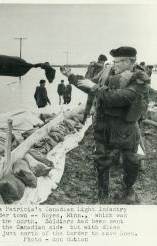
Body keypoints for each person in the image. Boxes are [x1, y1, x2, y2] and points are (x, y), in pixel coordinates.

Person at [60, 46, 150, 204]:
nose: (117, 65)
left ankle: (127, 187)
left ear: (132, 61)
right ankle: (103, 193)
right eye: (115, 61)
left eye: (121, 61)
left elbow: (119, 97)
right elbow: (89, 86)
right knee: (101, 160)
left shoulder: (139, 79)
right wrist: (71, 76)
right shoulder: (108, 72)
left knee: (131, 161)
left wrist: (94, 87)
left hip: (126, 127)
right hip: (103, 124)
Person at [82, 54, 108, 123]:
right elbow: (101, 67)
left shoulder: (91, 66)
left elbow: (86, 75)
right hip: (95, 87)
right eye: (103, 61)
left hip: (88, 85)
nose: (104, 63)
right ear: (102, 60)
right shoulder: (100, 67)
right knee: (95, 105)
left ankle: (84, 119)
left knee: (89, 103)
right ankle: (93, 121)